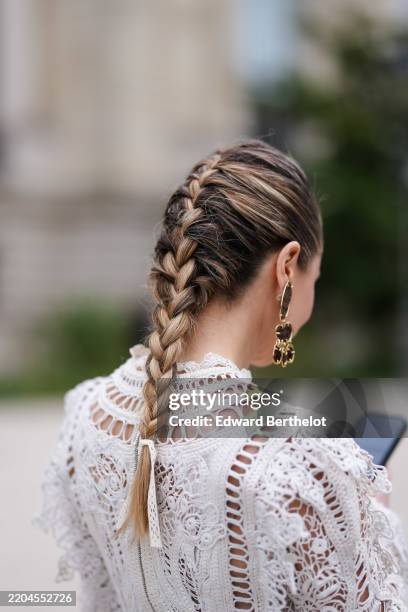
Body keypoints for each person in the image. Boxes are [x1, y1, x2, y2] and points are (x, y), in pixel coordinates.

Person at [34, 139, 408, 611]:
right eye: (317, 274)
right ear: (288, 267)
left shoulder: (87, 416)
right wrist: (367, 512)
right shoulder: (306, 468)